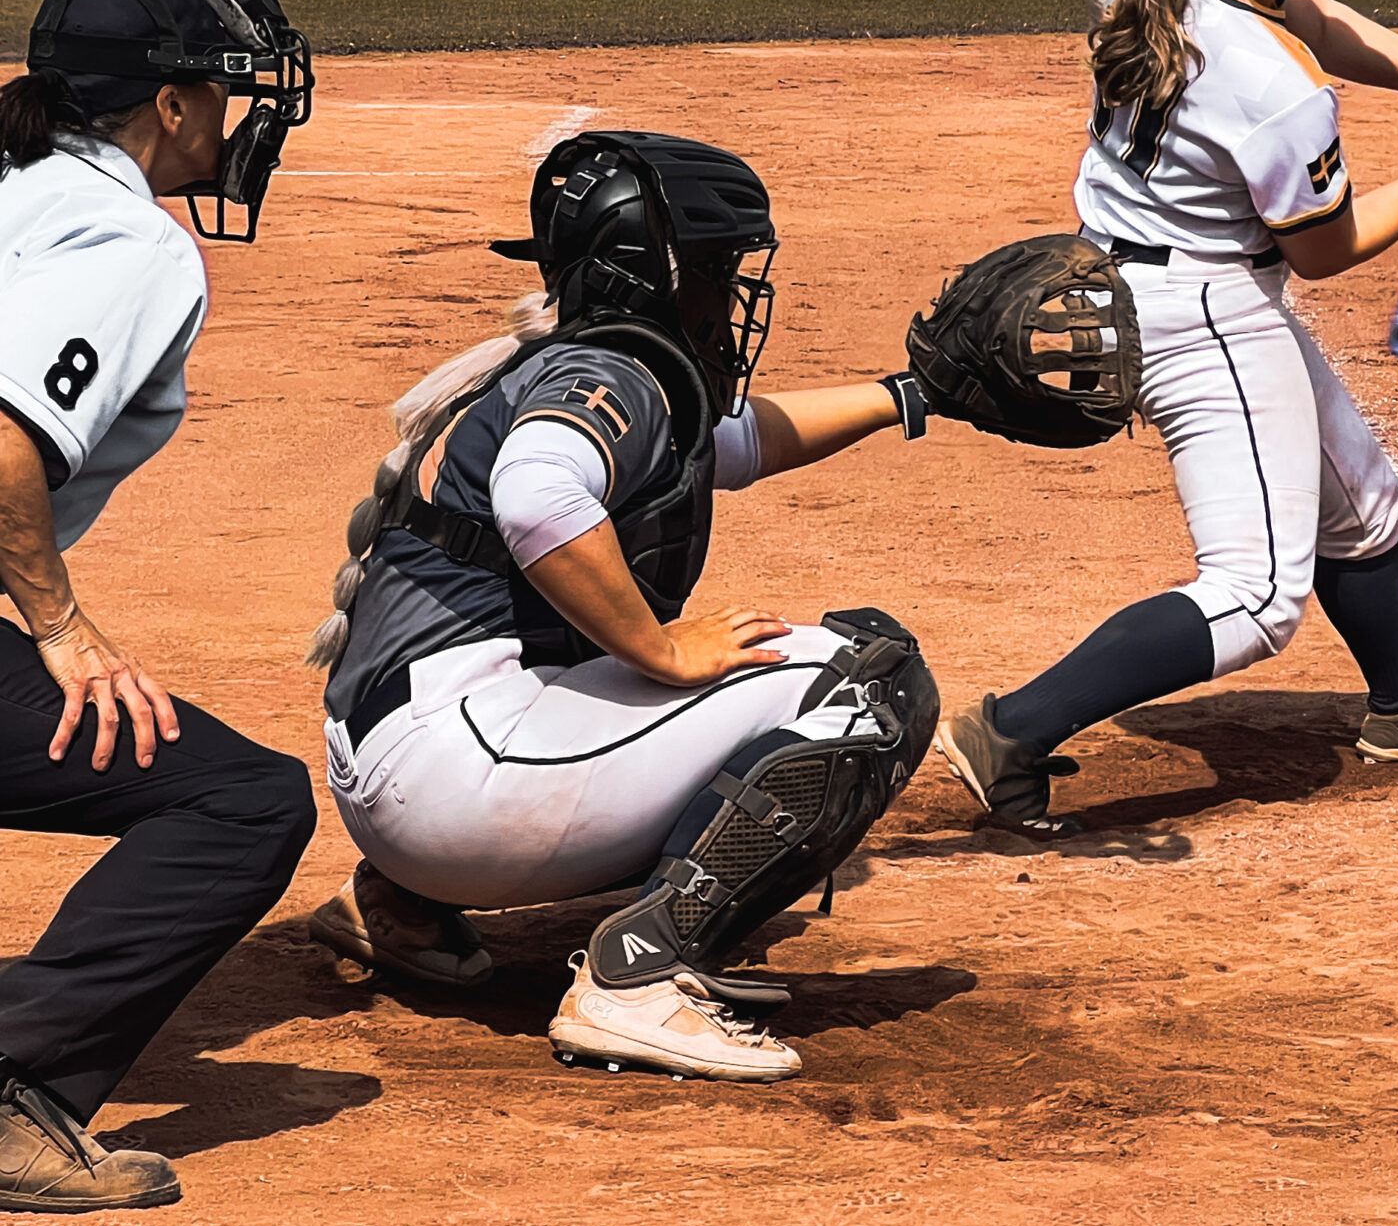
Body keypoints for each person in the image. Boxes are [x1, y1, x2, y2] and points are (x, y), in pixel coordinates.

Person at [933, 0, 1398, 837]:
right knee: (1256, 597)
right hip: (1205, 311)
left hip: (1135, 270)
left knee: (1356, 499)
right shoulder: (1270, 89)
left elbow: (1309, 10)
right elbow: (1328, 251)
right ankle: (1010, 730)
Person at [304, 130, 939, 1084]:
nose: (735, 292)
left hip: (405, 776)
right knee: (865, 680)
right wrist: (660, 651)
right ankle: (638, 981)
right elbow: (536, 498)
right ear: (660, 271)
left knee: (744, 684)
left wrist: (910, 395)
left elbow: (740, 442)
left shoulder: (577, 365)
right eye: (721, 266)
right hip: (457, 784)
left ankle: (399, 905)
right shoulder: (612, 381)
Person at [0, 0, 318, 1213]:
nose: (239, 123)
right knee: (242, 802)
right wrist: (64, 626)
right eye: (225, 95)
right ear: (174, 105)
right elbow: (7, 439)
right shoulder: (128, 243)